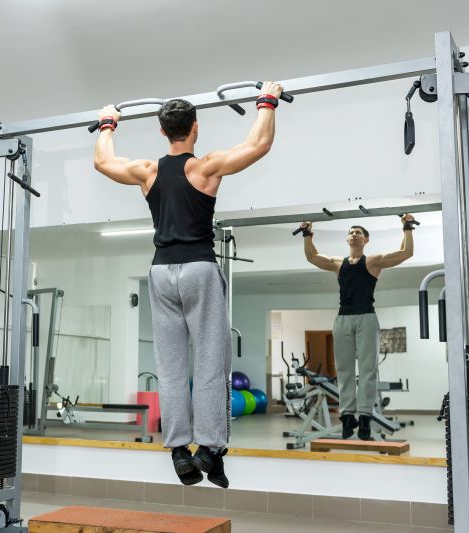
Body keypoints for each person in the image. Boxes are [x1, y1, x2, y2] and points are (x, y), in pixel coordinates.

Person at [93, 82, 284, 488]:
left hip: (161, 273)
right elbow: (260, 143)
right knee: (212, 363)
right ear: (194, 128)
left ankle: (180, 449)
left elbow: (103, 162)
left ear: (163, 131)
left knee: (171, 367)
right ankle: (210, 448)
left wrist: (108, 123)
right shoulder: (206, 166)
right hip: (198, 267)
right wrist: (267, 100)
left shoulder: (147, 171)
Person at [298, 216, 415, 440]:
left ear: (366, 239)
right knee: (344, 371)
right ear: (347, 239)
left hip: (366, 318)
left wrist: (407, 227)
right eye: (350, 232)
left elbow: (405, 253)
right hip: (343, 318)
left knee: (368, 369)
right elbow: (312, 256)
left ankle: (364, 417)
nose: (353, 234)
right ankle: (347, 416)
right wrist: (307, 233)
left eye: (358, 232)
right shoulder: (337, 263)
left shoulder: (373, 261)